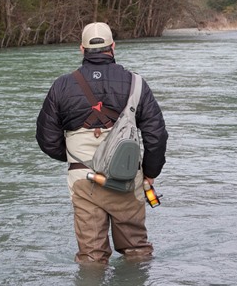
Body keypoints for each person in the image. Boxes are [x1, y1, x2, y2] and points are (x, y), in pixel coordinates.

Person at [36, 22, 168, 264]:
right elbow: (156, 136)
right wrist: (149, 173)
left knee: (91, 258)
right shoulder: (137, 84)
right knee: (137, 252)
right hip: (127, 179)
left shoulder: (61, 86)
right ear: (113, 47)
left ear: (82, 49)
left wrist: (75, 160)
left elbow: (46, 138)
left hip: (83, 181)